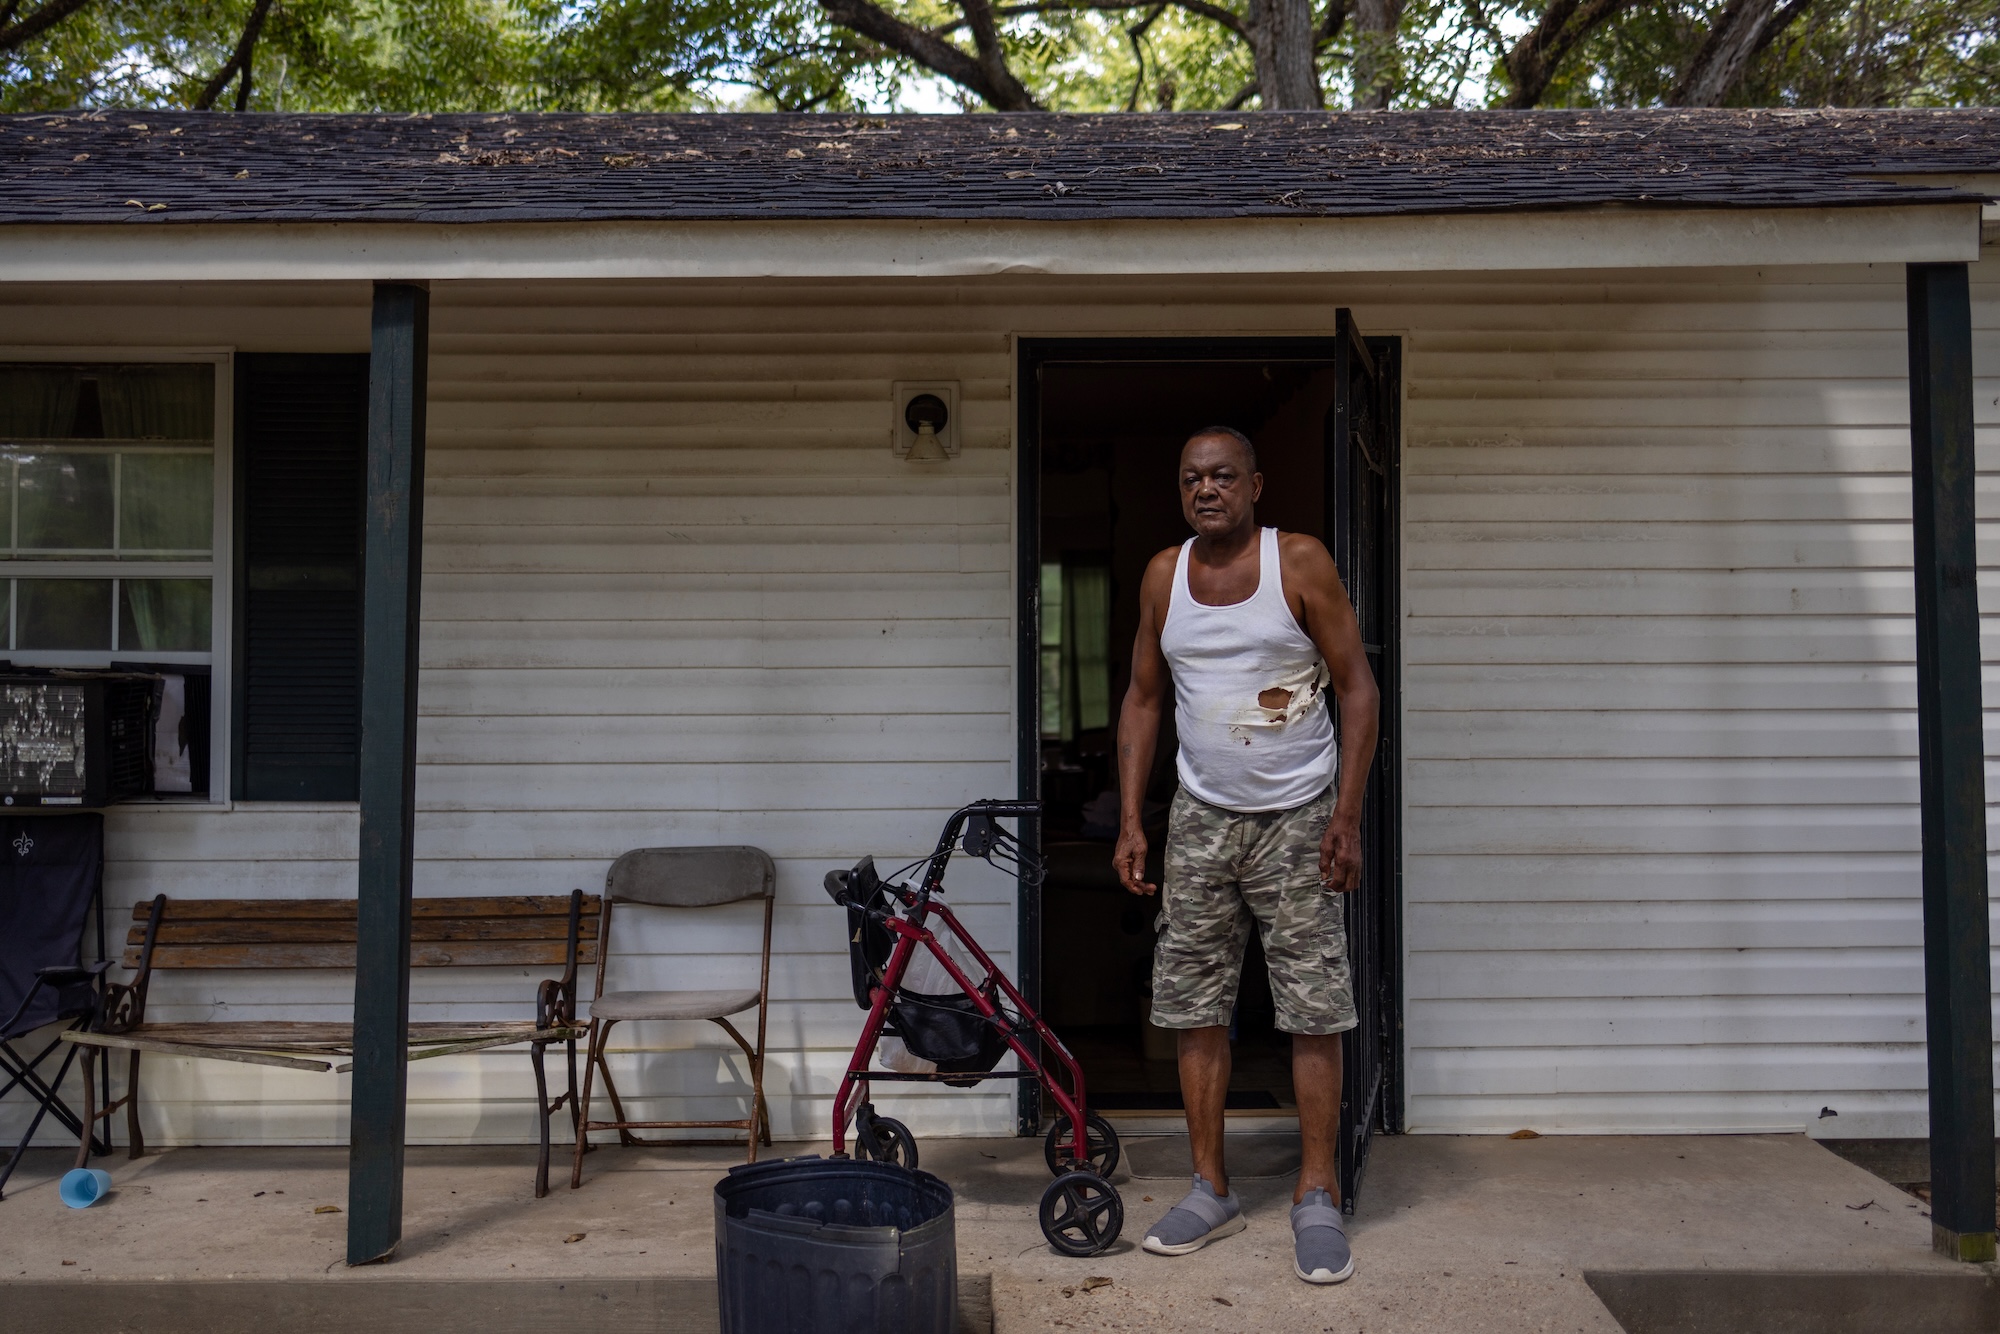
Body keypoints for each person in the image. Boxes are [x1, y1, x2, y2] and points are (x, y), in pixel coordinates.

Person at [1113, 424, 1379, 1286]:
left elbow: (1356, 686)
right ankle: (1210, 1188)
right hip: (1200, 818)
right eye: (1192, 477)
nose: (1207, 489)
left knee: (1311, 1007)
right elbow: (1145, 698)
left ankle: (1316, 1193)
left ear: (1257, 484)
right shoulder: (1164, 575)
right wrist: (1130, 817)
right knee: (1195, 1003)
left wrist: (1347, 814)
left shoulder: (1296, 562)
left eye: (1223, 475)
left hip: (1299, 816)